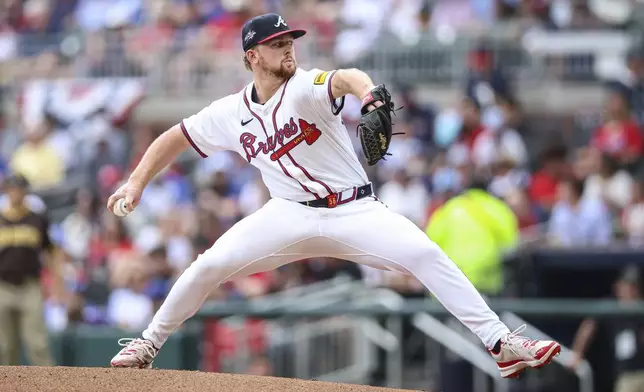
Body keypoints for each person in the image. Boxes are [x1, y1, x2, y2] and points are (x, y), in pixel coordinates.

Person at [108, 13, 561, 378]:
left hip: (353, 209)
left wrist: (369, 98)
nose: (288, 48)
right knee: (209, 264)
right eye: (277, 43)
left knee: (425, 254)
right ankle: (149, 342)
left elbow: (345, 77)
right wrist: (136, 181)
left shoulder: (304, 86)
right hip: (286, 215)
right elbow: (176, 136)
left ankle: (501, 344)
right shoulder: (230, 113)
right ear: (252, 56)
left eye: (290, 41)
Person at [0, 174, 57, 366]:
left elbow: (50, 251)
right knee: (4, 346)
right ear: (6, 191)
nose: (16, 193)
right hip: (2, 287)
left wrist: (56, 284)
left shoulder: (37, 219)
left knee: (37, 343)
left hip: (30, 285)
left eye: (20, 189)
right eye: (12, 189)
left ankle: (46, 385)